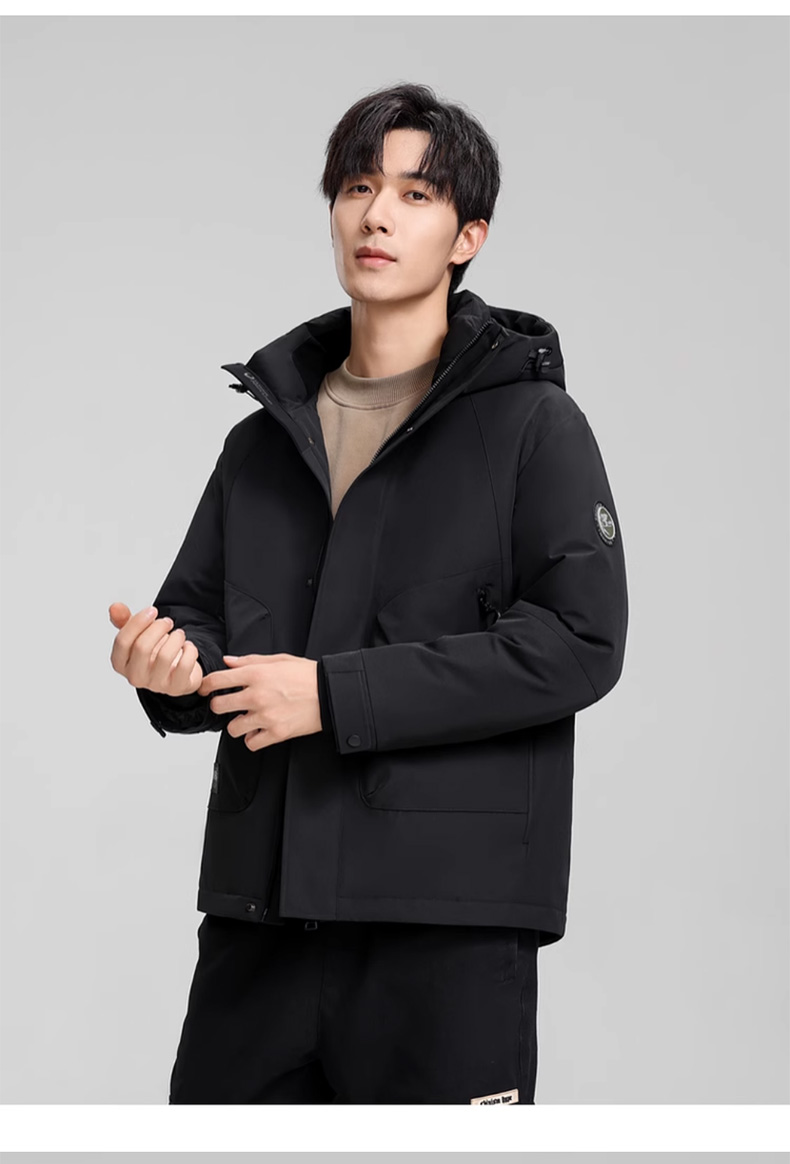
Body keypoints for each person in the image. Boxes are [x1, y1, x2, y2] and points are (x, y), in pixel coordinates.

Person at [109, 81, 628, 1105]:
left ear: (468, 237)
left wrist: (332, 695)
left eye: (414, 194)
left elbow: (578, 642)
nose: (376, 214)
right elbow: (198, 620)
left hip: (443, 933)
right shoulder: (262, 442)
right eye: (356, 187)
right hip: (260, 922)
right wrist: (168, 670)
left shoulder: (533, 427)